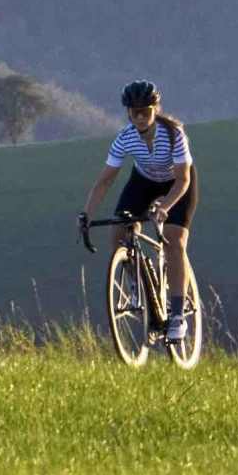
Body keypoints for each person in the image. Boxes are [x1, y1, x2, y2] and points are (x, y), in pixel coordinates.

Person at [78, 80, 199, 341]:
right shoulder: (125, 138)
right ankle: (137, 283)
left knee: (175, 241)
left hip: (177, 182)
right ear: (128, 113)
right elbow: (105, 180)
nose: (140, 117)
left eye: (146, 111)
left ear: (155, 109)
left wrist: (165, 207)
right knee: (118, 233)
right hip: (144, 180)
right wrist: (86, 215)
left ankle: (177, 316)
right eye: (134, 113)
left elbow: (183, 179)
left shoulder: (174, 134)